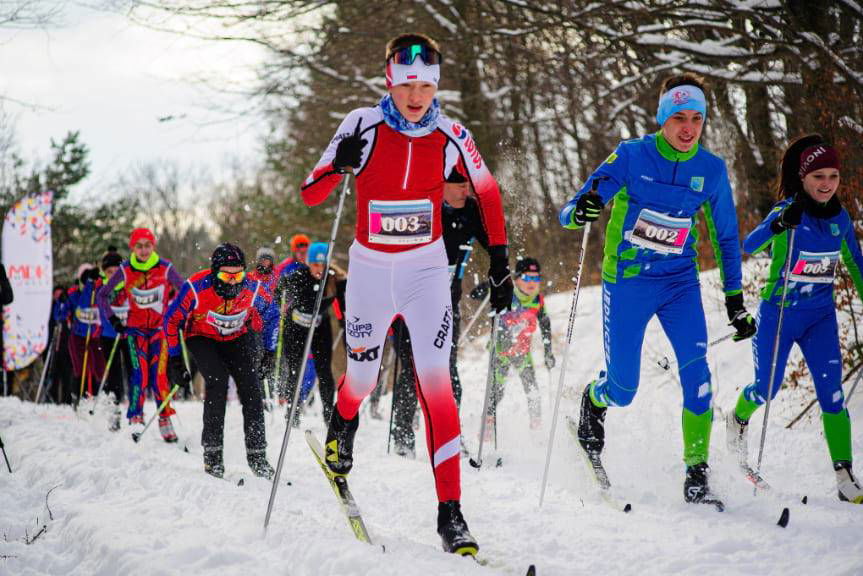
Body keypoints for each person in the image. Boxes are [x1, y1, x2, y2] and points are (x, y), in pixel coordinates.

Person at [299, 33, 512, 555]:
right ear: (389, 81)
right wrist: (337, 164)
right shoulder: (361, 123)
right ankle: (342, 425)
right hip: (371, 273)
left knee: (437, 387)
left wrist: (501, 259)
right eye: (406, 85)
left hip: (426, 272)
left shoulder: (451, 132)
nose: (416, 96)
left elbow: (487, 192)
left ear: (436, 86)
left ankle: (451, 514)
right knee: (363, 378)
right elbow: (311, 194)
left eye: (426, 86)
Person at [559, 72, 755, 505]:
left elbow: (725, 237)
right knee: (623, 389)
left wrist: (734, 299)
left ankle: (696, 474)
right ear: (663, 118)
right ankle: (594, 401)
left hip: (679, 282)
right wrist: (581, 210)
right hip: (628, 281)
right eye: (679, 118)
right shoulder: (632, 156)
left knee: (698, 376)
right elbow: (572, 210)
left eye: (697, 119)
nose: (689, 129)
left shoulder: (710, 169)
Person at [726, 136, 863, 504]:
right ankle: (737, 418)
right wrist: (777, 224)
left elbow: (855, 263)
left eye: (833, 176)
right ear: (803, 178)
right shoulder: (788, 211)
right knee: (766, 389)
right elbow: (749, 245)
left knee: (832, 395)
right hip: (780, 314)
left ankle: (844, 473)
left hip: (820, 317)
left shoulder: (839, 218)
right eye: (818, 176)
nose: (827, 183)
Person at [390, 168, 493, 455]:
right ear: (443, 186)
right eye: (459, 185)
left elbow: (493, 242)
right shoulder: (427, 207)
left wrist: (498, 273)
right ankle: (402, 436)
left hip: (447, 305)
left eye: (467, 185)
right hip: (411, 304)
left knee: (447, 371)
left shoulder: (471, 211)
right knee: (412, 370)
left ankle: (450, 436)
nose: (465, 191)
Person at [165, 243, 275, 479]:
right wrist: (174, 359)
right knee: (217, 381)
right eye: (226, 276)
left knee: (251, 388)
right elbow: (171, 320)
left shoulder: (253, 287)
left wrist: (269, 351)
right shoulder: (196, 287)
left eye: (238, 275)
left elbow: (272, 313)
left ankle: (257, 457)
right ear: (215, 273)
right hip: (202, 337)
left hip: (236, 337)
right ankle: (213, 456)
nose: (233, 281)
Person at [98, 228, 184, 442]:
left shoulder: (165, 268)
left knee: (159, 377)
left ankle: (165, 418)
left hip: (159, 332)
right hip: (135, 332)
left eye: (147, 245)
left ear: (153, 246)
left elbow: (185, 291)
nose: (144, 250)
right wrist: (113, 320)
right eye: (139, 246)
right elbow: (102, 295)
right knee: (139, 376)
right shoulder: (126, 269)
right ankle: (135, 417)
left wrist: (176, 315)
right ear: (133, 248)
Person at [276, 241, 346, 424]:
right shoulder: (298, 276)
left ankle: (328, 415)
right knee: (295, 370)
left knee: (324, 371)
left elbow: (344, 305)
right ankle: (293, 412)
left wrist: (344, 322)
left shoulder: (335, 280)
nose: (319, 269)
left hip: (319, 327)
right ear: (309, 263)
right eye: (315, 264)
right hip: (295, 327)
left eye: (323, 264)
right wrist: (279, 305)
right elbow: (278, 291)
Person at [484, 257, 553, 431]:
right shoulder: (507, 293)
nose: (532, 282)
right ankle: (488, 425)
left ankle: (536, 428)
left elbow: (545, 326)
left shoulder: (538, 300)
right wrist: (488, 287)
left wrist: (548, 351)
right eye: (527, 277)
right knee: (497, 392)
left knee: (533, 391)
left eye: (536, 278)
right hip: (500, 353)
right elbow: (480, 295)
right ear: (516, 279)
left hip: (522, 354)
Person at [59, 264, 106, 403]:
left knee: (99, 368)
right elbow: (65, 312)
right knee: (81, 368)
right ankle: (78, 396)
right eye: (85, 278)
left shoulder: (99, 290)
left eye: (90, 278)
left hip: (95, 336)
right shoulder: (73, 293)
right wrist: (62, 304)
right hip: (78, 336)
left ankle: (99, 397)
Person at [96, 247, 130, 431]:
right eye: (109, 272)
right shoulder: (102, 287)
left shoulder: (129, 284)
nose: (113, 275)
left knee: (134, 372)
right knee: (114, 377)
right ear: (104, 272)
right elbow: (102, 310)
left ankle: (135, 412)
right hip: (110, 335)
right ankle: (114, 414)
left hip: (128, 335)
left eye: (117, 271)